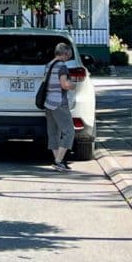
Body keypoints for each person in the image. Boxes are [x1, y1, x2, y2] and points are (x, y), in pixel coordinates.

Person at [44, 42, 76, 171]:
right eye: (68, 55)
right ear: (64, 53)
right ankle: (58, 161)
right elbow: (64, 85)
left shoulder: (48, 65)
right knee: (69, 131)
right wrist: (72, 85)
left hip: (48, 103)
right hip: (59, 103)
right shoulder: (62, 66)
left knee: (53, 133)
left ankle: (59, 161)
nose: (69, 57)